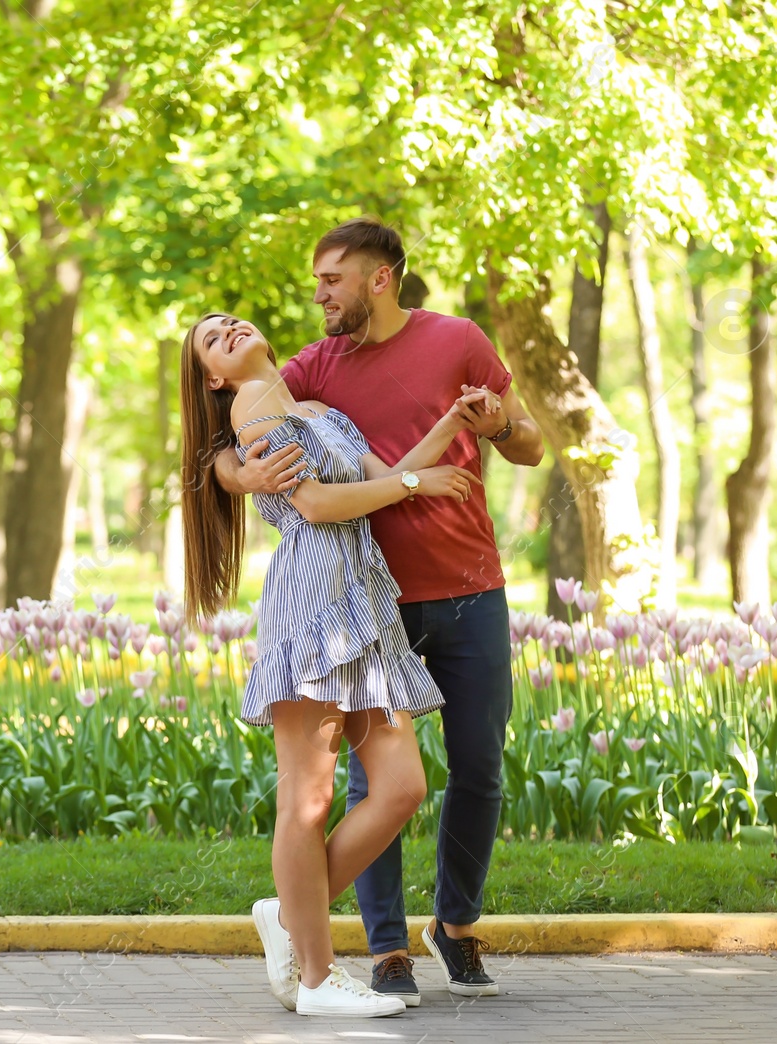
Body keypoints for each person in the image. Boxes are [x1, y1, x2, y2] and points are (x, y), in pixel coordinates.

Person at [214, 217, 544, 1004]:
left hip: (467, 587)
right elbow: (232, 437)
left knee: (476, 770)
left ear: (379, 278)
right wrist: (243, 480)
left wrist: (490, 422)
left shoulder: (458, 339)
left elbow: (528, 441)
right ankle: (384, 949)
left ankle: (449, 927)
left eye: (332, 280)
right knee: (368, 788)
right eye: (317, 281)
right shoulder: (315, 365)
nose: (319, 295)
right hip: (363, 604)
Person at [180, 310, 484, 1017]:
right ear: (214, 378)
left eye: (229, 320)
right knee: (308, 799)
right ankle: (316, 979)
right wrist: (415, 489)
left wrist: (452, 425)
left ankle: (288, 914)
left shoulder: (314, 409)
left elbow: (392, 475)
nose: (227, 329)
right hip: (314, 600)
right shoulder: (252, 407)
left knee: (402, 785)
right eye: (210, 340)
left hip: (364, 600)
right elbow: (316, 504)